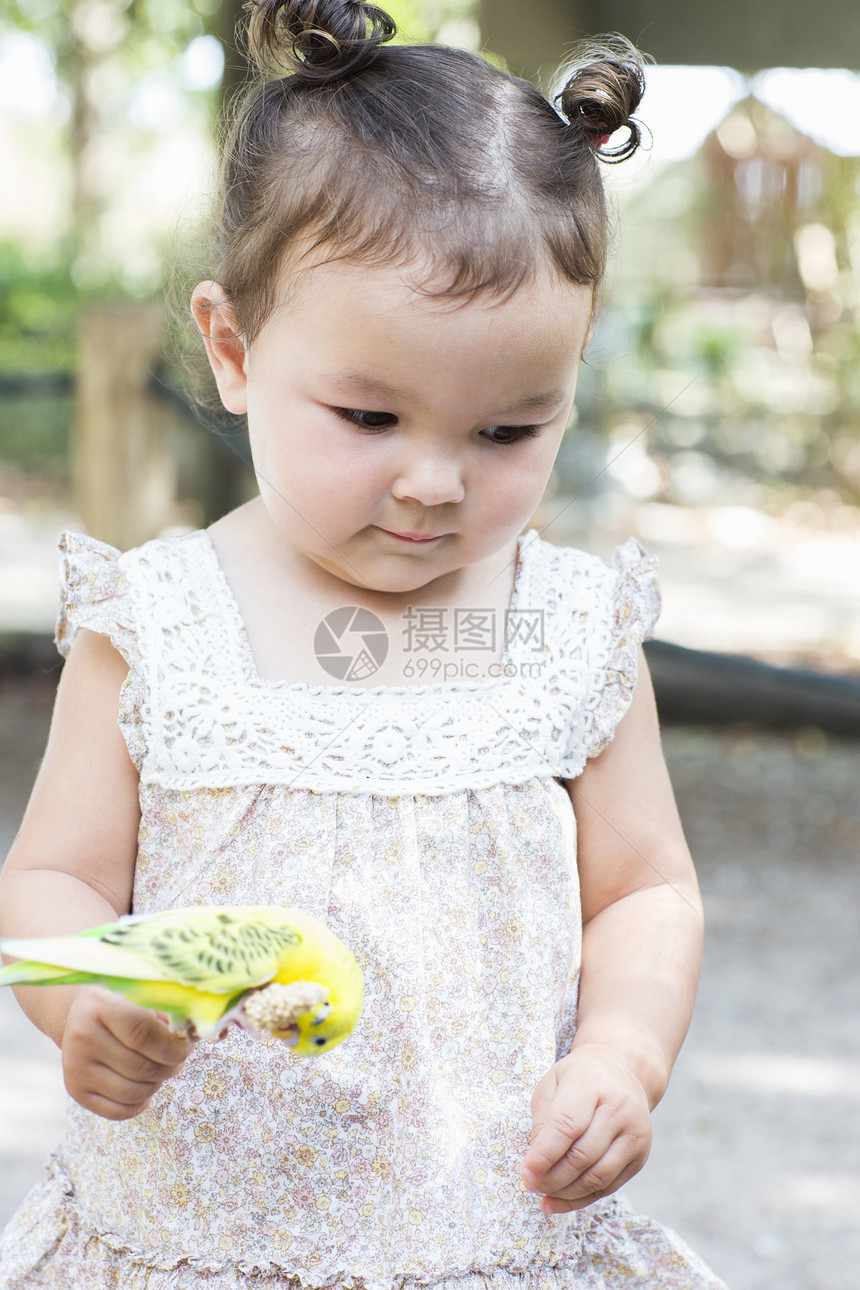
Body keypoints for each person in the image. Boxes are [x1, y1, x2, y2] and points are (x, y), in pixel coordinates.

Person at [0, 2, 729, 1286]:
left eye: (509, 431)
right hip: (192, 1243)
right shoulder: (156, 622)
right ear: (232, 350)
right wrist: (87, 1000)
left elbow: (645, 891)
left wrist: (621, 1055)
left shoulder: (566, 632)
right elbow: (52, 883)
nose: (435, 483)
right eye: (369, 414)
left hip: (485, 1239)